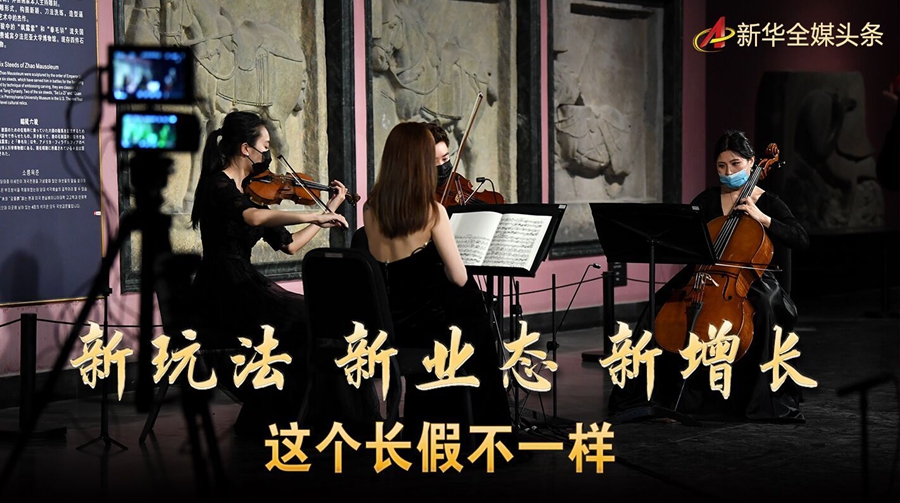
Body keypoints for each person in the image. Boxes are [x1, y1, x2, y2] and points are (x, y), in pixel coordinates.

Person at [609, 130, 810, 422]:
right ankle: (646, 394)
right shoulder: (707, 199)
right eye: (721, 166)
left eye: (736, 164)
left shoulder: (768, 202)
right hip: (702, 273)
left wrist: (761, 217)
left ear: (752, 162)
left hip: (747, 276)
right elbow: (685, 238)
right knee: (656, 306)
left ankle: (760, 399)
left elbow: (801, 239)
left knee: (766, 307)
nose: (728, 172)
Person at [189, 110, 348, 437]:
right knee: (297, 325)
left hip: (243, 282)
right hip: (221, 288)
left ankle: (302, 415)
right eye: (264, 147)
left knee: (311, 322)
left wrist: (328, 211)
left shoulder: (252, 192)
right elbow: (252, 218)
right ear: (245, 149)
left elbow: (290, 245)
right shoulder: (218, 185)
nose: (268, 154)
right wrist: (314, 216)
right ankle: (277, 415)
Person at [355, 121, 513, 442]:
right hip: (429, 327)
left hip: (391, 323)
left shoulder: (370, 208)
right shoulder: (432, 211)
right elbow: (458, 276)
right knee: (476, 317)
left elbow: (389, 268)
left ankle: (426, 427)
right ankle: (484, 434)